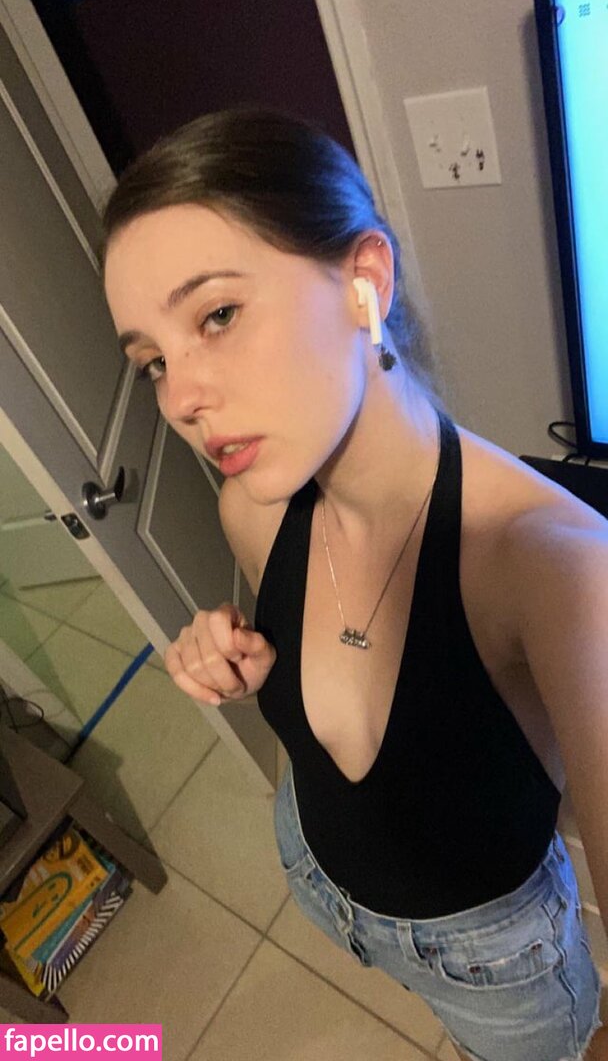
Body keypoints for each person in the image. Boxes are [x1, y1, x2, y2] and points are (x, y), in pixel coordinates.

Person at [101, 107, 608, 1061]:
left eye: (217, 315)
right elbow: (343, 693)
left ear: (363, 282)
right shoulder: (253, 510)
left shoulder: (556, 563)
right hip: (317, 872)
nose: (180, 398)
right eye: (153, 361)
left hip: (490, 959)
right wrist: (250, 667)